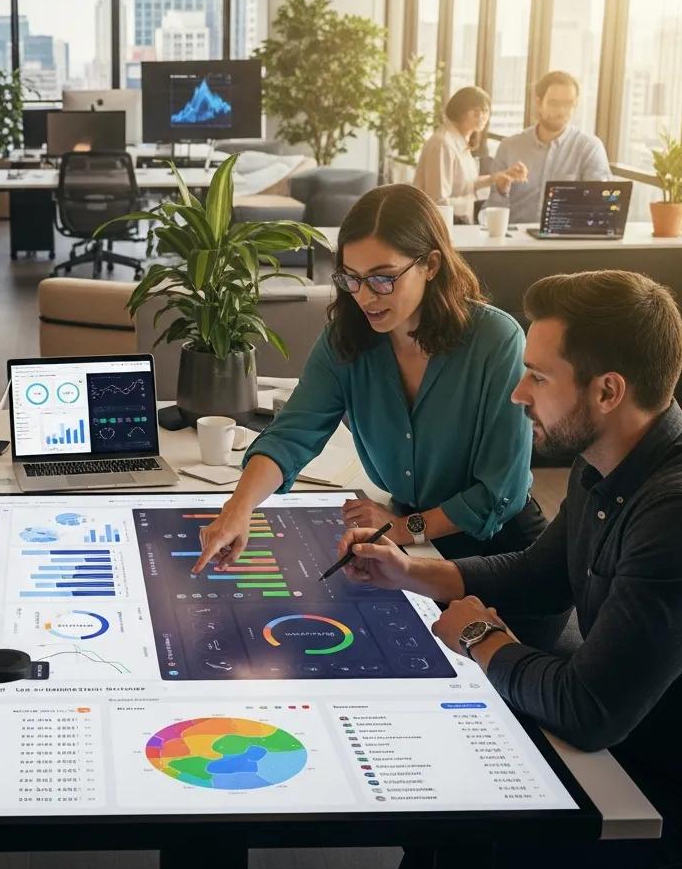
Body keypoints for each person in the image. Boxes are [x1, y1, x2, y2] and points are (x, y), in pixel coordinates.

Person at [339, 270, 682, 869]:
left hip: (647, 793)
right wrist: (408, 573)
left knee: (461, 825)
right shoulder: (603, 460)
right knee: (437, 825)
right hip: (612, 746)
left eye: (540, 377)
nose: (519, 394)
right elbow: (537, 575)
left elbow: (589, 709)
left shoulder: (672, 513)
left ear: (608, 392)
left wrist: (481, 640)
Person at [193, 184, 560, 644]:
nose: (365, 296)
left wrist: (404, 527)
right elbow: (291, 435)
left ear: (430, 265)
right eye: (351, 277)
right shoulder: (345, 340)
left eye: (383, 277)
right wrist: (239, 507)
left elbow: (497, 494)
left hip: (504, 561)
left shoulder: (496, 341)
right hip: (410, 548)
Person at [489, 70, 611, 224]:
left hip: (566, 243)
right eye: (554, 103)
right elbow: (489, 211)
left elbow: (600, 207)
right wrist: (501, 191)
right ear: (539, 102)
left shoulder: (589, 148)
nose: (561, 111)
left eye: (568, 104)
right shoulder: (509, 147)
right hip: (514, 242)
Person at [414, 85, 527, 221]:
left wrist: (497, 177)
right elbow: (437, 203)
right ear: (458, 111)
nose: (481, 116)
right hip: (439, 225)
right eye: (475, 110)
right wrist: (473, 201)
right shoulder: (443, 144)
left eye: (485, 110)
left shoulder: (460, 142)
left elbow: (466, 186)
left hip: (456, 222)